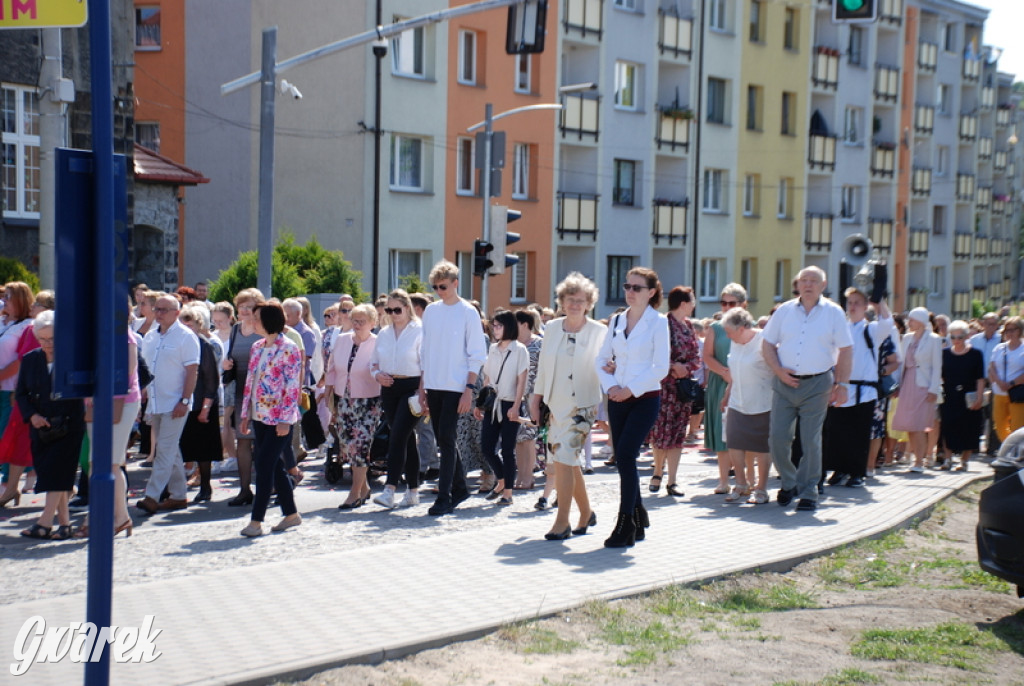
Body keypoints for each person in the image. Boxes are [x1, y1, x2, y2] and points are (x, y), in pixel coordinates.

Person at [762, 266, 853, 512]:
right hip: (784, 382)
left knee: (811, 440)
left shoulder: (834, 312)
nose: (808, 284)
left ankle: (809, 490)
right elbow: (767, 344)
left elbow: (846, 349)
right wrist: (779, 371)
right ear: (797, 284)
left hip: (817, 382)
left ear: (823, 285)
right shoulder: (784, 311)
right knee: (778, 438)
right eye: (804, 280)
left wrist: (842, 384)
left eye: (814, 280)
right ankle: (789, 482)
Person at [595, 267, 670, 547]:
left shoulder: (658, 322)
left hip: (644, 398)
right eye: (627, 286)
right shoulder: (616, 320)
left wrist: (629, 389)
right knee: (623, 456)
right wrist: (612, 386)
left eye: (637, 288)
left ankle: (625, 523)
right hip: (617, 398)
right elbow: (601, 359)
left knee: (625, 456)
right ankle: (638, 517)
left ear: (651, 293)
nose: (630, 291)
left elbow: (660, 367)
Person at [530, 272, 605, 540]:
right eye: (570, 299)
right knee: (567, 462)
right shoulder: (551, 328)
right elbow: (542, 368)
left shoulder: (599, 332)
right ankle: (586, 513)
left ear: (589, 303)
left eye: (581, 300)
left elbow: (607, 367)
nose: (575, 304)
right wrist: (536, 398)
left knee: (564, 459)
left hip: (582, 406)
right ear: (562, 301)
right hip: (555, 404)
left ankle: (562, 521)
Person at [417, 261, 488, 516]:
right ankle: (459, 488)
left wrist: (469, 389)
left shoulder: (468, 312)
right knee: (443, 438)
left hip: (456, 385)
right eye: (435, 287)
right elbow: (424, 352)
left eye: (443, 286)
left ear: (455, 283)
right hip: (434, 383)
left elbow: (477, 355)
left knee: (446, 440)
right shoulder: (432, 311)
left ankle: (444, 496)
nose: (439, 291)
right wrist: (422, 387)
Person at [16, 311, 86, 540]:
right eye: (43, 339)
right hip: (41, 427)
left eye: (52, 339)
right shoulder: (30, 359)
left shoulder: (73, 358)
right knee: (55, 474)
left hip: (68, 425)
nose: (48, 344)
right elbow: (22, 394)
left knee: (58, 474)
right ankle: (65, 525)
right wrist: (33, 416)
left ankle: (45, 522)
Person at [238, 302, 303, 537]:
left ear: (268, 320)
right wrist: (245, 414)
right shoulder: (257, 347)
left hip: (279, 419)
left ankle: (256, 521)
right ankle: (291, 514)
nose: (252, 321)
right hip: (259, 415)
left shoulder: (289, 348)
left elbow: (292, 386)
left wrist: (286, 419)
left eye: (256, 318)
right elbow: (250, 383)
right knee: (273, 465)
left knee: (263, 465)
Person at [823, 288, 893, 489]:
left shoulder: (870, 329)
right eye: (850, 302)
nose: (852, 306)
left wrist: (880, 302)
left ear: (865, 307)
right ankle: (839, 469)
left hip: (864, 391)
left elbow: (887, 323)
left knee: (859, 433)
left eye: (857, 303)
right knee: (838, 431)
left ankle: (857, 472)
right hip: (841, 387)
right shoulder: (840, 329)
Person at [137, 295, 200, 514]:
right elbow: (145, 370)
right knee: (170, 450)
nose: (159, 313)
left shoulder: (186, 337)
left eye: (164, 309)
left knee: (164, 449)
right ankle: (179, 495)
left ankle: (152, 496)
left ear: (176, 312)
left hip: (175, 402)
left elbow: (192, 371)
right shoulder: (150, 337)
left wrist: (184, 400)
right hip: (155, 402)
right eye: (157, 309)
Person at [325, 304, 382, 509]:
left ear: (373, 324)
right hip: (345, 398)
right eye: (354, 320)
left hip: (369, 400)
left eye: (362, 321)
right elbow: (332, 366)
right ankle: (364, 486)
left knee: (360, 445)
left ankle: (355, 492)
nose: (357, 325)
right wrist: (328, 390)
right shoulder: (341, 340)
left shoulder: (378, 343)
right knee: (347, 443)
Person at [370, 290, 423, 509]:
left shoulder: (420, 330)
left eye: (397, 309)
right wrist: (377, 375)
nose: (393, 314)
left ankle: (390, 489)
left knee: (398, 436)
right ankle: (413, 490)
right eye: (389, 310)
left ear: (407, 307)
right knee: (406, 439)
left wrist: (423, 392)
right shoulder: (383, 333)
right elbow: (373, 362)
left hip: (412, 386)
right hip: (389, 387)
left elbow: (426, 362)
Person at [647, 286, 701, 498]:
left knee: (678, 434)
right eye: (692, 300)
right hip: (664, 387)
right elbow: (653, 353)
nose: (694, 304)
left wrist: (686, 368)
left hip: (683, 389)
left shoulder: (688, 326)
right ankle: (657, 472)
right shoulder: (663, 324)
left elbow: (696, 355)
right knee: (661, 433)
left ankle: (672, 480)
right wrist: (672, 366)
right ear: (684, 303)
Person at [474, 310, 530, 505]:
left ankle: (508, 493)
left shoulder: (520, 349)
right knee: (487, 447)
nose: (494, 329)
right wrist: (480, 403)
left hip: (510, 403)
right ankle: (501, 480)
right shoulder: (492, 348)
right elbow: (488, 377)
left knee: (507, 449)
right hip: (493, 403)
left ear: (508, 326)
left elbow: (522, 380)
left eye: (498, 326)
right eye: (493, 326)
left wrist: (516, 405)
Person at [721, 308, 774, 504]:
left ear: (743, 328)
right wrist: (727, 394)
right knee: (734, 442)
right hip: (737, 401)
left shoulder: (764, 341)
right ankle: (741, 485)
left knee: (762, 447)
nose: (727, 336)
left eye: (729, 331)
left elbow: (775, 369)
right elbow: (734, 372)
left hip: (762, 402)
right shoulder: (735, 343)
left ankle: (761, 489)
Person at [703, 283, 748, 495]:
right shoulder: (716, 328)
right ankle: (723, 480)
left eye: (732, 303)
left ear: (743, 305)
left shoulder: (752, 327)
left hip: (746, 383)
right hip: (720, 382)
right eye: (724, 303)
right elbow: (707, 356)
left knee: (745, 432)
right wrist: (723, 371)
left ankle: (746, 479)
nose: (727, 307)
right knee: (723, 434)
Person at [0, 283, 41, 506]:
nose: (4, 300)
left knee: (9, 436)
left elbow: (21, 360)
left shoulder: (29, 326)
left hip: (12, 389)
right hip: (4, 389)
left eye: (9, 297)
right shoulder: (4, 322)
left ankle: (8, 484)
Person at [222, 288, 264, 506]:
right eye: (242, 306)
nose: (245, 310)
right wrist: (226, 364)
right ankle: (245, 489)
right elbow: (231, 356)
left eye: (250, 306)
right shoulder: (236, 330)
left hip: (264, 392)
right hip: (241, 393)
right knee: (243, 441)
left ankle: (270, 484)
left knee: (264, 442)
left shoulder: (264, 328)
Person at [177, 305, 222, 502]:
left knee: (204, 450)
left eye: (190, 325)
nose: (187, 329)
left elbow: (212, 380)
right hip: (183, 403)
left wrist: (205, 408)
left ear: (199, 325)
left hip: (203, 402)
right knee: (182, 448)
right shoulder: (180, 344)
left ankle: (205, 486)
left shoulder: (205, 345)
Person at [892, 307, 944, 473]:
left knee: (919, 424)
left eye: (912, 319)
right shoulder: (907, 338)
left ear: (921, 321)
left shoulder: (934, 339)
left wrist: (933, 389)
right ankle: (915, 458)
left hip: (924, 384)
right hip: (908, 383)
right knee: (909, 424)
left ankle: (919, 461)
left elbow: (937, 367)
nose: (909, 322)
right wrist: (897, 385)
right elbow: (901, 363)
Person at [939, 320, 985, 471]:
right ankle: (947, 459)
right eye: (953, 337)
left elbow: (980, 378)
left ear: (966, 337)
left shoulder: (976, 354)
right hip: (950, 395)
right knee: (947, 426)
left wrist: (979, 396)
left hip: (969, 395)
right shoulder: (944, 353)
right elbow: (941, 376)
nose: (956, 340)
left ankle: (964, 460)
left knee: (969, 427)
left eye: (960, 337)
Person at [513, 309, 543, 490]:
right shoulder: (513, 345)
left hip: (533, 395)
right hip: (516, 395)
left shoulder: (539, 344)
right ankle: (521, 475)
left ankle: (528, 476)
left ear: (525, 324)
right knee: (517, 438)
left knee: (529, 437)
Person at [970, 312, 1003, 455]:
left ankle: (993, 447)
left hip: (993, 380)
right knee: (976, 413)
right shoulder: (974, 339)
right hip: (977, 380)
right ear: (982, 324)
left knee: (994, 414)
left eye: (994, 323)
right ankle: (973, 445)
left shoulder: (1001, 340)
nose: (991, 326)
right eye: (988, 323)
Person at [988, 316, 1024, 445]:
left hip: (1017, 393)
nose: (1009, 333)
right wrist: (999, 382)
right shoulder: (999, 348)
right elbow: (991, 367)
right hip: (999, 392)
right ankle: (1009, 450)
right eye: (1007, 330)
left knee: (1017, 427)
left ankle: (1016, 454)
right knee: (999, 425)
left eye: (1012, 330)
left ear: (1020, 330)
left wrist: (1011, 384)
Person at [211, 302, 238, 472]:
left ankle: (217, 457)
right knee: (221, 422)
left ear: (230, 318)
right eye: (215, 320)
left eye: (221, 320)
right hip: (214, 381)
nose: (217, 324)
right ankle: (232, 456)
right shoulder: (213, 335)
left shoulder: (235, 335)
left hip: (229, 381)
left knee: (224, 422)